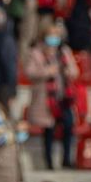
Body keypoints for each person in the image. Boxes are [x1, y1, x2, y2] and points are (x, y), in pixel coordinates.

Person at [25, 23, 79, 170]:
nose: (54, 39)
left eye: (56, 35)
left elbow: (75, 71)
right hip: (46, 99)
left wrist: (70, 72)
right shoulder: (36, 52)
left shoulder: (64, 52)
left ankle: (67, 159)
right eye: (51, 35)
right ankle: (48, 162)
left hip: (63, 97)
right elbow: (29, 73)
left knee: (68, 126)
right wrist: (48, 71)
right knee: (49, 130)